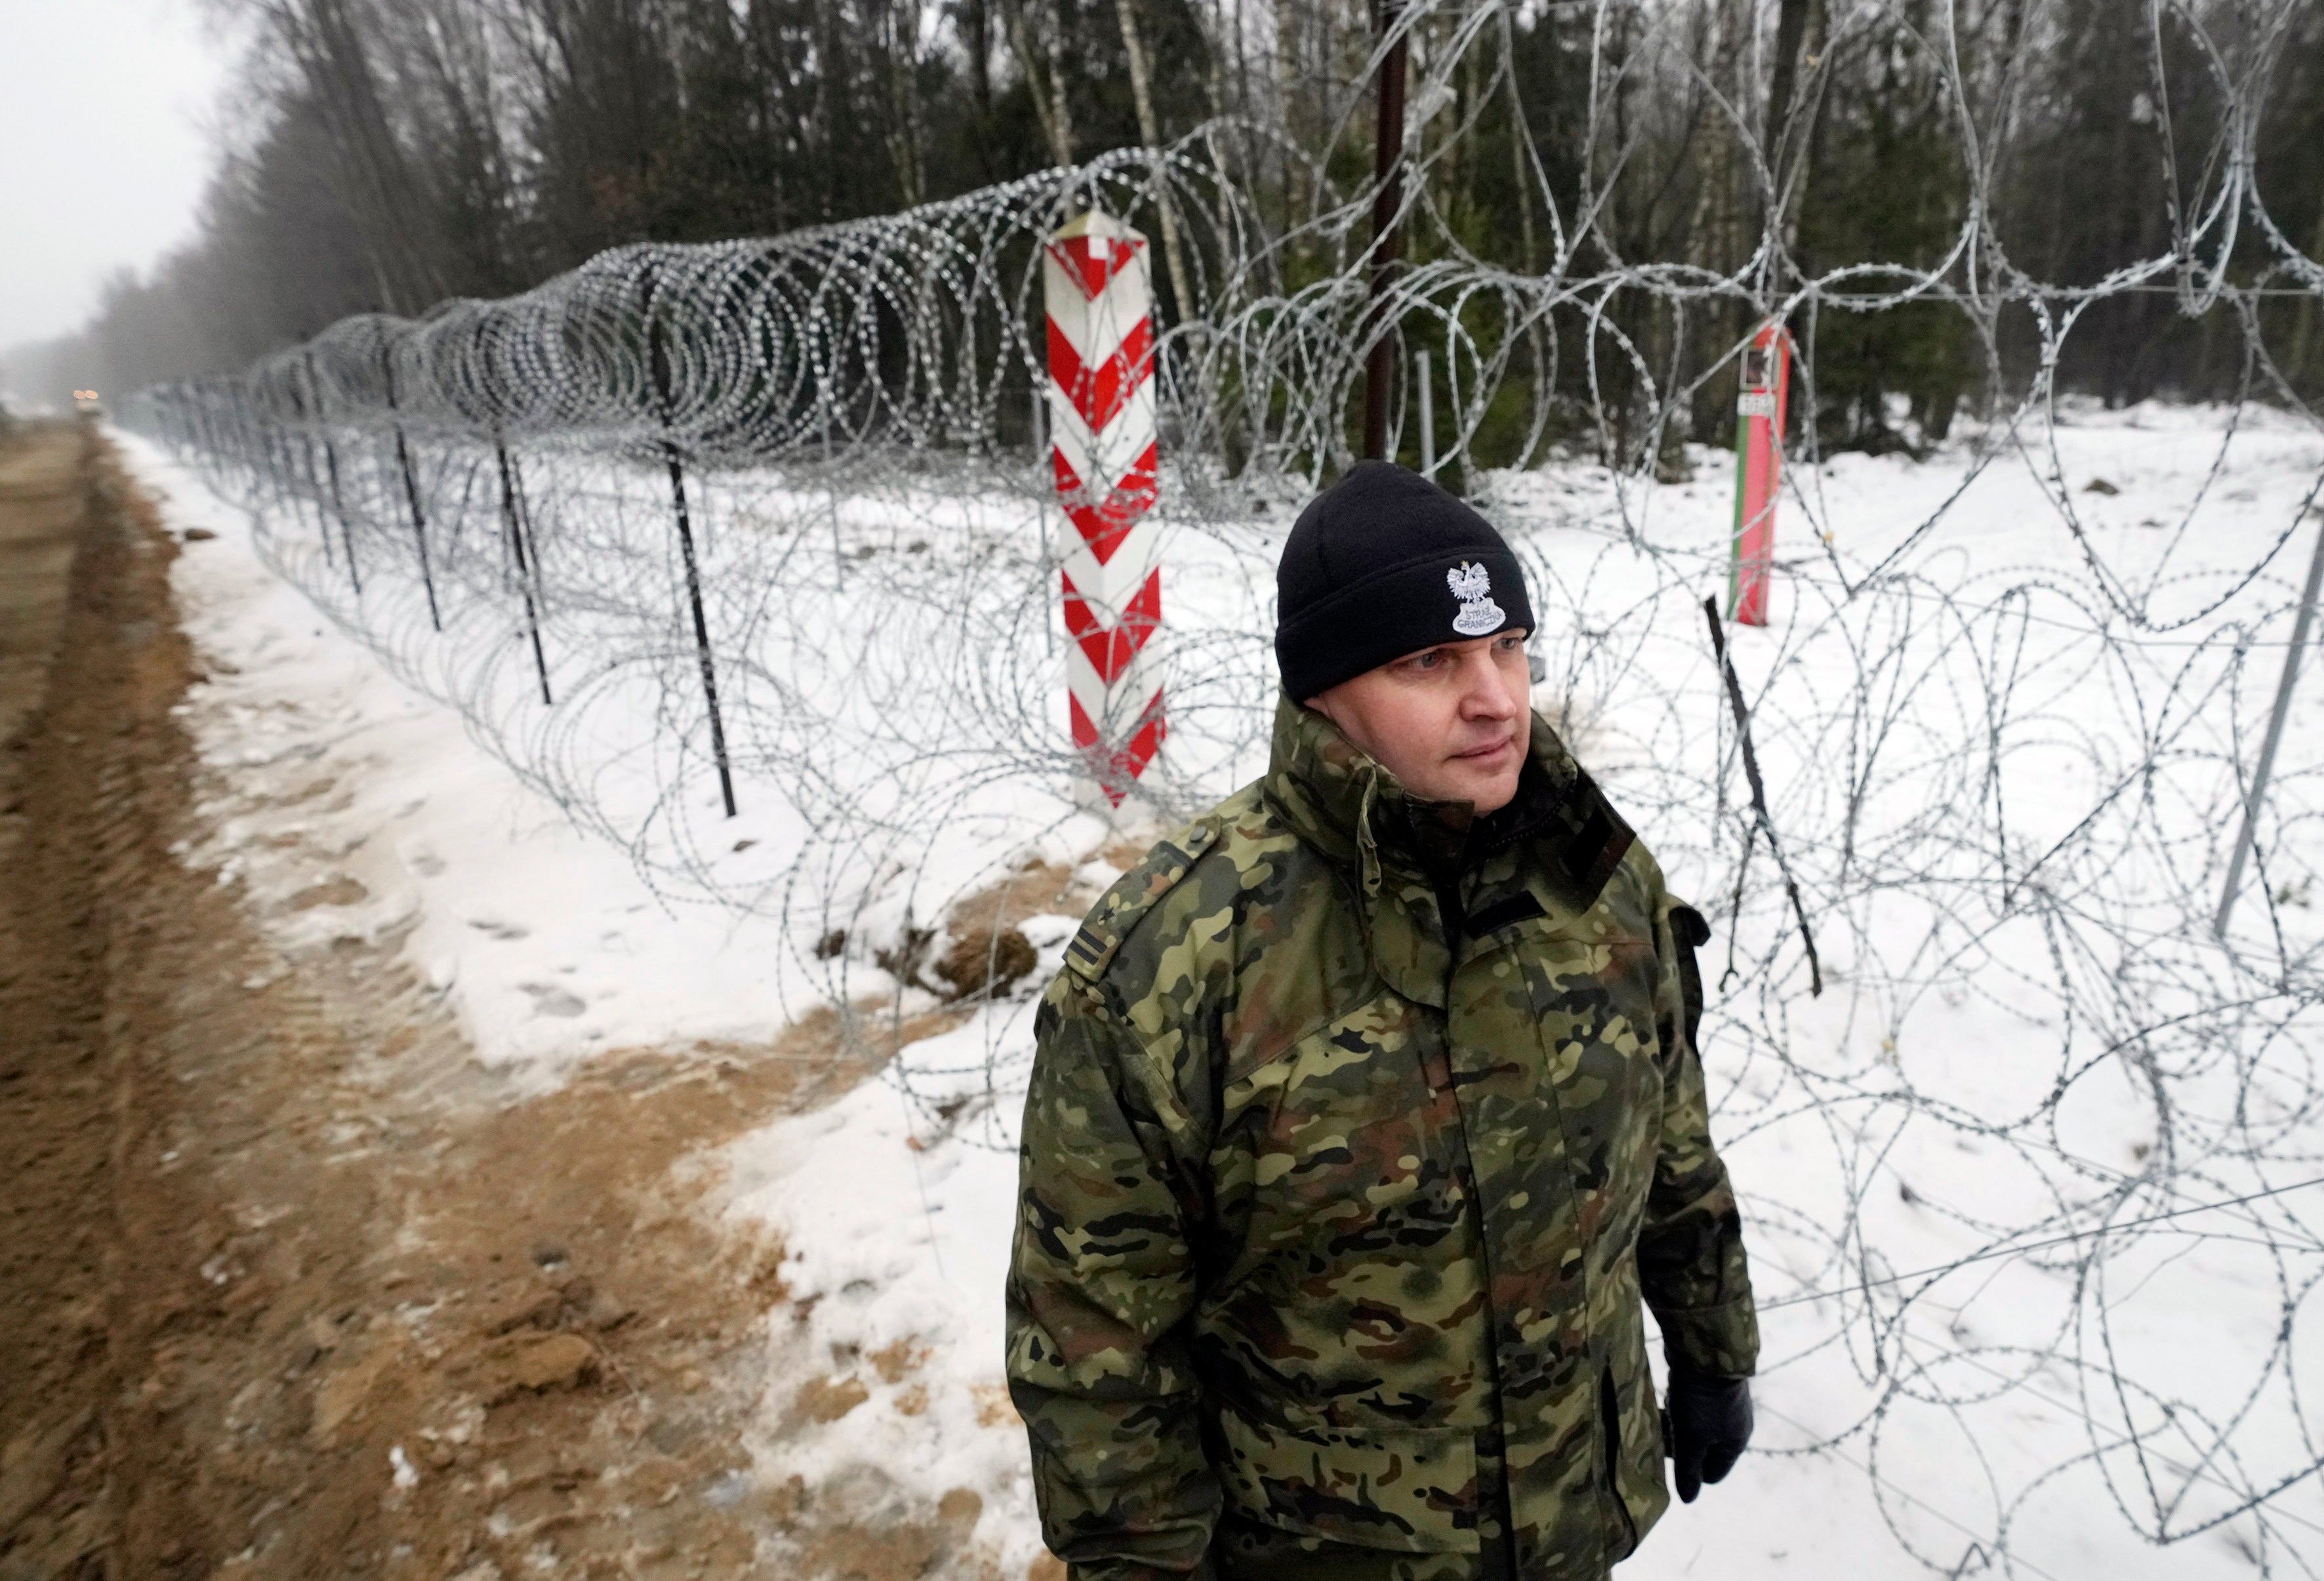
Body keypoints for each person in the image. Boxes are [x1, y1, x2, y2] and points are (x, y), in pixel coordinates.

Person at [1006, 462, 1758, 1580]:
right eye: (1431, 660)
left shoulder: (1592, 879)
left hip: (1569, 1523)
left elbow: (1671, 1137)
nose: (1498, 697)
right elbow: (1097, 1339)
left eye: (1509, 645)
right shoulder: (1179, 959)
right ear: (1325, 693)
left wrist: (1710, 1345)